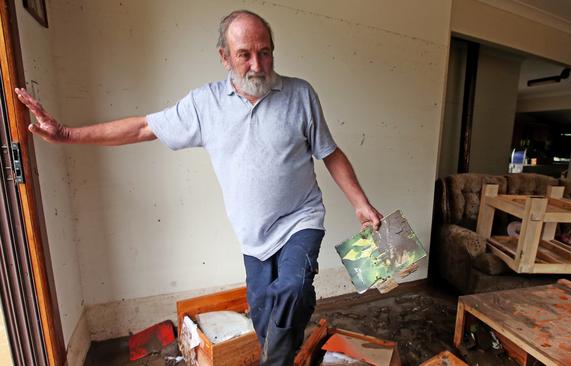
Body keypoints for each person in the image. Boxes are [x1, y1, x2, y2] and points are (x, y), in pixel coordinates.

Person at [15, 9, 381, 365]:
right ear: (224, 57)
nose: (257, 64)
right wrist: (65, 134)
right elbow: (143, 128)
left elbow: (329, 152)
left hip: (302, 218)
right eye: (244, 55)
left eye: (264, 52)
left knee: (292, 289)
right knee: (264, 313)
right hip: (253, 236)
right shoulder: (204, 105)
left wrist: (360, 203)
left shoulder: (301, 95)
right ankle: (286, 339)